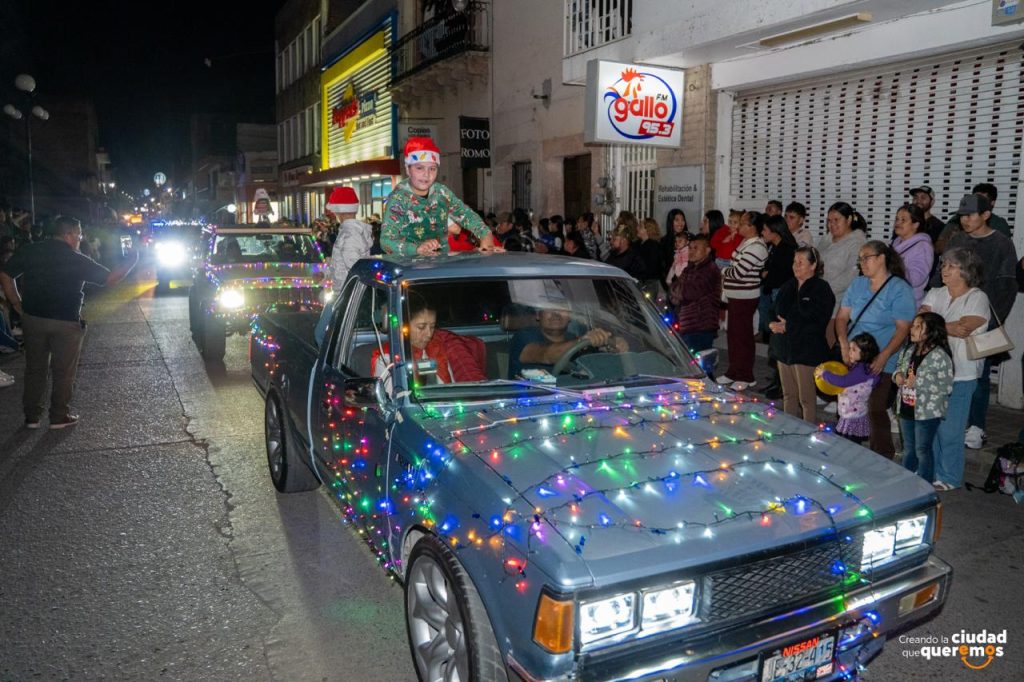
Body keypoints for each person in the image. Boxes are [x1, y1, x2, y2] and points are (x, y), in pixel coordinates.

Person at [0, 216, 139, 429]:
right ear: (69, 234)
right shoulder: (76, 258)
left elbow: (5, 274)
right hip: (65, 321)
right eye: (79, 235)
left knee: (35, 369)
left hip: (33, 318)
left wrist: (17, 303)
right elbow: (110, 279)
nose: (80, 239)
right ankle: (58, 416)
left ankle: (32, 417)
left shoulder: (31, 250)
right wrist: (132, 260)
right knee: (63, 371)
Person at [938, 194, 1018, 451]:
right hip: (953, 316)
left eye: (970, 215)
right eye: (962, 215)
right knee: (948, 370)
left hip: (983, 320)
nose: (965, 220)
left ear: (986, 215)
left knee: (979, 376)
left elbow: (1007, 286)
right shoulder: (958, 240)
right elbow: (942, 276)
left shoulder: (1002, 243)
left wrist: (991, 321)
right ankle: (950, 419)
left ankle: (976, 427)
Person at [835, 240, 916, 458]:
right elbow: (842, 317)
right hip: (855, 356)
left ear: (882, 258)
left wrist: (884, 355)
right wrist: (843, 343)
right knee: (849, 404)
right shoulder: (858, 284)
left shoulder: (899, 288)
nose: (862, 263)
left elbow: (903, 328)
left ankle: (882, 455)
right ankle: (849, 450)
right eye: (860, 259)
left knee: (875, 407)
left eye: (866, 258)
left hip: (884, 357)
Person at [919, 247, 991, 490]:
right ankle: (931, 472)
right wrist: (947, 327)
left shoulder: (977, 298)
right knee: (931, 426)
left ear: (966, 271)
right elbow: (920, 322)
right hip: (932, 371)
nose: (944, 269)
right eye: (943, 264)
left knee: (951, 429)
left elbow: (965, 327)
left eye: (951, 265)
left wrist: (934, 325)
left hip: (962, 373)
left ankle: (949, 476)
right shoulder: (935, 293)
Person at [381, 137, 497, 256]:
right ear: (408, 169)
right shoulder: (398, 199)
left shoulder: (441, 192)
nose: (426, 174)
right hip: (408, 263)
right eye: (419, 168)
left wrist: (485, 235)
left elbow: (466, 214)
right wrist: (416, 249)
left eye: (432, 169)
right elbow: (386, 240)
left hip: (440, 261)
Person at [769, 246, 835, 421]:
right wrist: (772, 324)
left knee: (806, 398)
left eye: (801, 262)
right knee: (788, 394)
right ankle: (788, 428)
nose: (795, 266)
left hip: (806, 350)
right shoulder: (788, 285)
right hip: (783, 348)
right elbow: (773, 310)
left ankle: (808, 430)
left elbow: (817, 320)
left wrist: (788, 326)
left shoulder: (821, 288)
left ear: (813, 265)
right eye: (794, 262)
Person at [894, 312, 954, 487]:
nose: (912, 329)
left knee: (922, 449)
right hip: (906, 406)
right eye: (913, 325)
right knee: (909, 448)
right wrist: (897, 376)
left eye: (918, 327)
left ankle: (925, 484)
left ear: (931, 331)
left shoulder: (940, 356)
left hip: (927, 412)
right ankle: (906, 481)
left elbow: (946, 386)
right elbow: (899, 367)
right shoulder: (908, 350)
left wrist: (919, 382)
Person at [315, 187, 373, 346]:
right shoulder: (350, 232)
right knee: (332, 337)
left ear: (338, 210)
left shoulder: (349, 234)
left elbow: (354, 267)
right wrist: (326, 274)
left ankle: (334, 362)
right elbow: (344, 263)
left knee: (323, 336)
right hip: (345, 293)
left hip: (345, 294)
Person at [718, 211, 768, 391]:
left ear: (752, 227)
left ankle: (746, 375)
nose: (738, 226)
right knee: (733, 336)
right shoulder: (746, 242)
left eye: (742, 223)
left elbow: (738, 272)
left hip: (745, 297)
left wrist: (723, 270)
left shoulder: (757, 247)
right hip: (735, 296)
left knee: (743, 337)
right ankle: (733, 371)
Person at [508, 306, 627, 379]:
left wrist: (611, 347)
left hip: (575, 401)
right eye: (549, 308)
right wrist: (582, 341)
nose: (556, 314)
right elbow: (546, 354)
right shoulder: (523, 337)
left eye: (562, 307)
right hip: (530, 403)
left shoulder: (575, 339)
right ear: (538, 315)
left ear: (570, 316)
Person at [818, 202, 868, 347]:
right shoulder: (826, 239)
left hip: (838, 304)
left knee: (829, 345)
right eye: (829, 221)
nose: (832, 224)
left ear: (849, 219)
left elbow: (850, 277)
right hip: (818, 301)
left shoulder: (858, 243)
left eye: (836, 220)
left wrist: (822, 290)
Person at [817, 333, 881, 444]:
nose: (849, 352)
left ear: (865, 353)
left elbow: (843, 381)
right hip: (854, 414)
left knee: (848, 444)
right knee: (850, 443)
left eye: (854, 350)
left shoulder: (860, 370)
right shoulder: (863, 369)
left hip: (852, 416)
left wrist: (824, 374)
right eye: (850, 348)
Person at [670, 234, 721, 353]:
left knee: (698, 360)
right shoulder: (689, 268)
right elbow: (673, 293)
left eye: (696, 248)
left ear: (707, 250)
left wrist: (678, 290)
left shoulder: (710, 269)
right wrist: (678, 290)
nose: (691, 251)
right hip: (687, 325)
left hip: (701, 326)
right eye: (690, 248)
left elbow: (688, 293)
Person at [891, 203, 934, 306]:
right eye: (897, 219)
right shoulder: (895, 242)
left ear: (915, 224)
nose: (898, 223)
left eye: (903, 220)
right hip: (892, 297)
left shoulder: (923, 246)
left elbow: (916, 278)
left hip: (908, 302)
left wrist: (891, 267)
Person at [636, 217, 664, 296]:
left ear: (648, 230)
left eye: (640, 227)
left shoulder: (653, 246)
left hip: (648, 283)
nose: (637, 228)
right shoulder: (638, 244)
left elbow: (651, 268)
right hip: (641, 281)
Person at [659, 209, 688, 275]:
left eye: (682, 220)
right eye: (677, 220)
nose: (680, 223)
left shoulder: (690, 238)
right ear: (670, 222)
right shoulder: (664, 241)